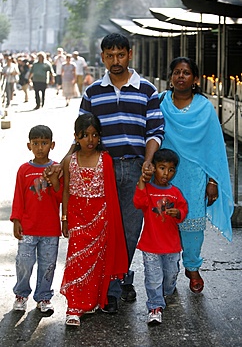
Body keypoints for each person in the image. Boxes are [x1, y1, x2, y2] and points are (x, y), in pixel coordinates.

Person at [77, 33, 165, 311]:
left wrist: (148, 162)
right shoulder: (92, 92)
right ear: (102, 57)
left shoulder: (147, 90)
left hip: (138, 169)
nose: (116, 61)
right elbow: (81, 134)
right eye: (110, 56)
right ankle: (111, 287)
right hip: (102, 168)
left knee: (129, 230)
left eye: (121, 55)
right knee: (103, 229)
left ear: (130, 54)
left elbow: (155, 130)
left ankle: (119, 280)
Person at [159, 57, 233, 294]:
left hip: (195, 177)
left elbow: (213, 147)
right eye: (177, 72)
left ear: (195, 79)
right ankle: (168, 273)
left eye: (186, 73)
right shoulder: (161, 104)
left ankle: (192, 267)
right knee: (164, 224)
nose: (181, 76)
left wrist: (213, 181)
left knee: (192, 228)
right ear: (171, 77)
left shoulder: (204, 108)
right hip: (165, 177)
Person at [60, 113, 128, 326]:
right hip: (77, 215)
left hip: (101, 217)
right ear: (76, 137)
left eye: (94, 135)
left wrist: (110, 220)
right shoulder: (70, 161)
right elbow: (66, 191)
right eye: (84, 135)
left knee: (98, 262)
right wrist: (64, 218)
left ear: (100, 137)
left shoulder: (105, 159)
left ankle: (92, 302)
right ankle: (74, 307)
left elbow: (110, 193)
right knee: (77, 260)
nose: (90, 140)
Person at [10, 125, 63, 314]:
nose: (40, 147)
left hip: (50, 229)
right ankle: (21, 294)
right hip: (28, 227)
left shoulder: (56, 169)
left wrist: (55, 181)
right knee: (24, 262)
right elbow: (19, 197)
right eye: (36, 143)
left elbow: (60, 197)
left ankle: (44, 297)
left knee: (48, 265)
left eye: (44, 143)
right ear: (28, 145)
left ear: (52, 144)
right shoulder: (24, 170)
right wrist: (16, 220)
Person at [133, 148, 188, 325]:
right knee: (153, 277)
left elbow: (184, 210)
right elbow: (138, 202)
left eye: (171, 169)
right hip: (151, 244)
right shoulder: (147, 189)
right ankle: (155, 306)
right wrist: (142, 181)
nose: (166, 173)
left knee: (171, 274)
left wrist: (178, 212)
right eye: (162, 168)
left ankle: (167, 291)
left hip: (171, 245)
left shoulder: (176, 192)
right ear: (154, 168)